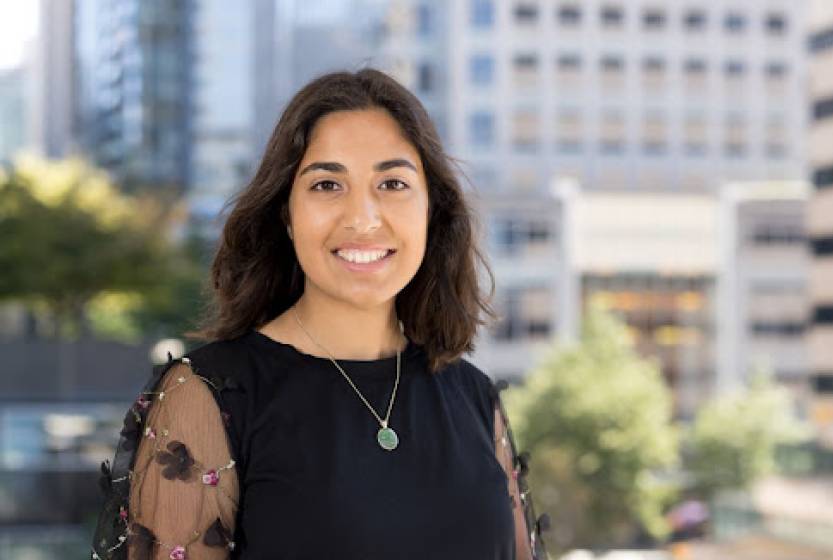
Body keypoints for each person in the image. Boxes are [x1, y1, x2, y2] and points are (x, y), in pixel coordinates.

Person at [91, 67, 550, 560]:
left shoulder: (476, 398)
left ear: (431, 210)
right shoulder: (209, 396)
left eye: (392, 183)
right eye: (328, 185)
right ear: (286, 214)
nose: (362, 218)